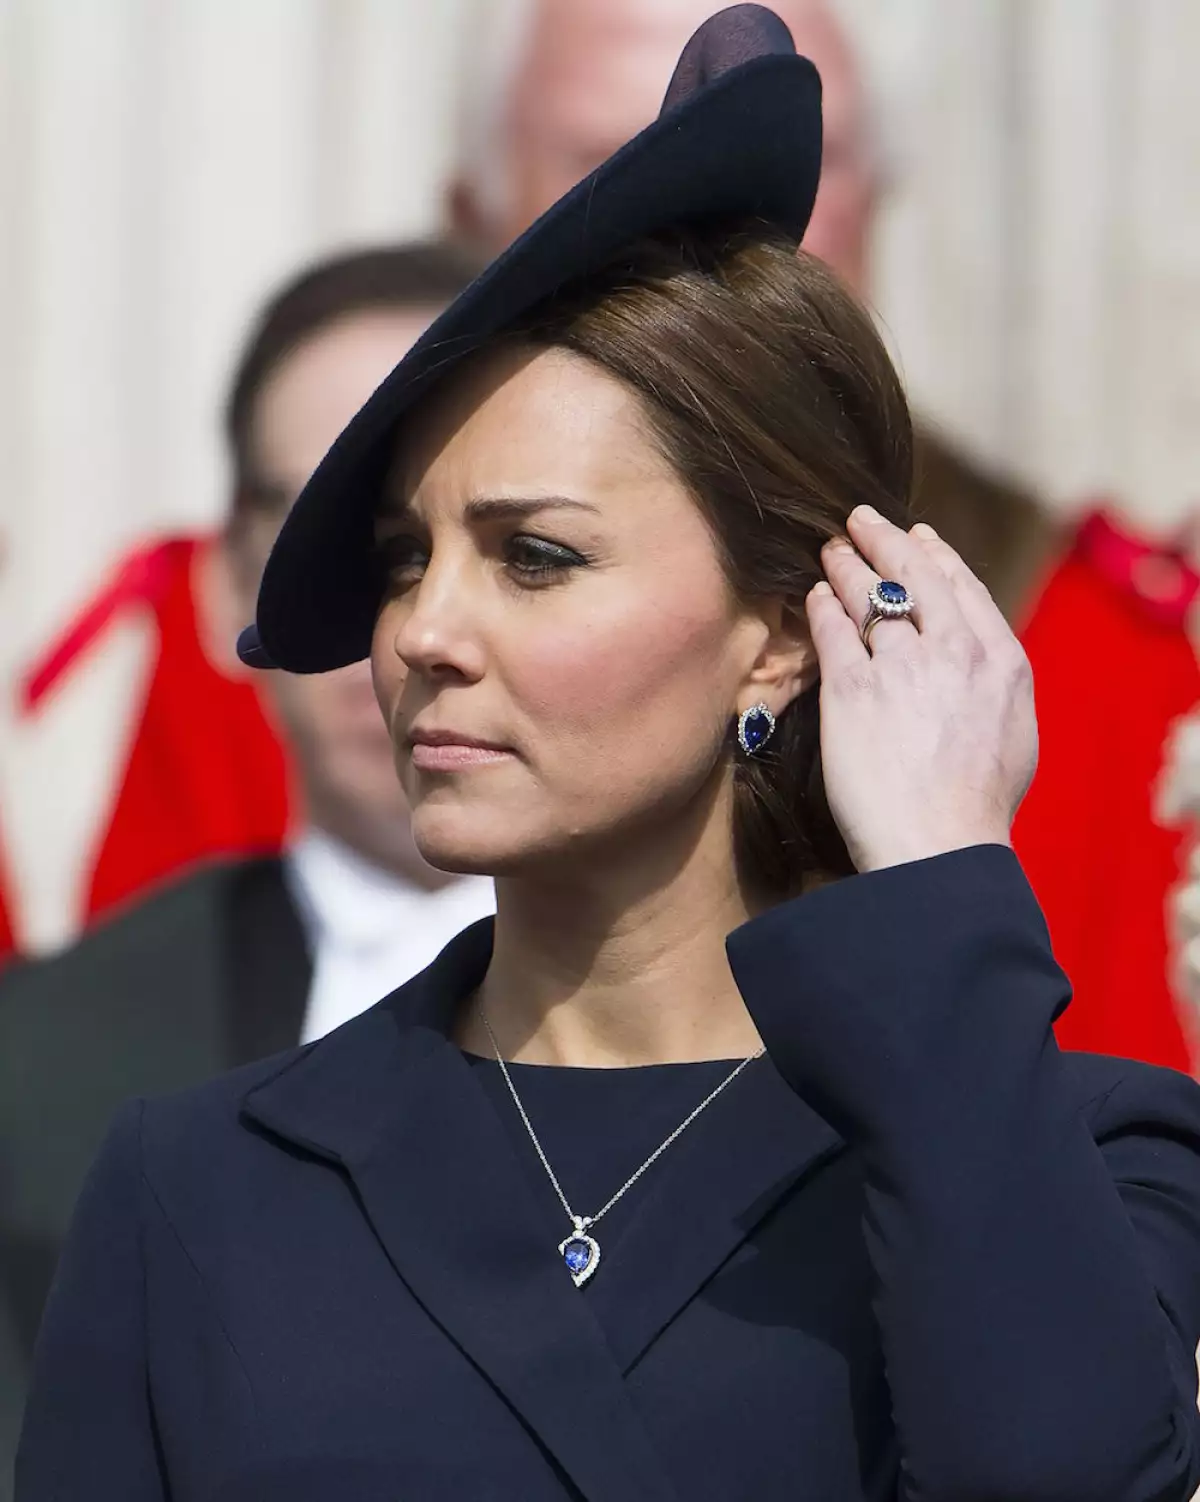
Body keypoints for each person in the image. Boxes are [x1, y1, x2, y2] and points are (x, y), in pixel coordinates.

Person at [17, 12, 1200, 1499]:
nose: (422, 630)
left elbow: (1057, 1473)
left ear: (782, 632)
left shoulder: (1081, 1162)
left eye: (537, 556)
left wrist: (944, 867)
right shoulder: (199, 1184)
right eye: (404, 557)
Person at [448, 0, 1200, 1073]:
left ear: (878, 200)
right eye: (605, 154)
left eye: (805, 147)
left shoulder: (1120, 653)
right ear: (467, 213)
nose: (698, 204)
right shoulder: (341, 654)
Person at [0, 243, 495, 1487]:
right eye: (338, 539)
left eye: (502, 541)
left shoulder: (790, 1012)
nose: (411, 632)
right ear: (229, 581)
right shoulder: (36, 1062)